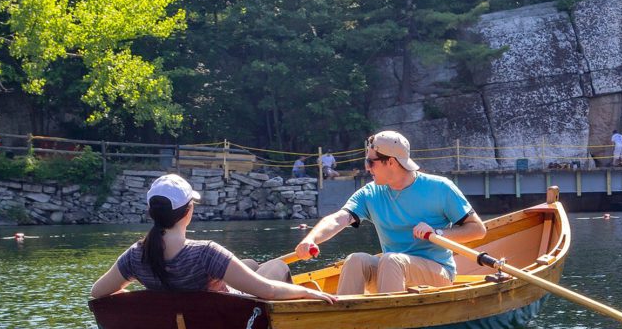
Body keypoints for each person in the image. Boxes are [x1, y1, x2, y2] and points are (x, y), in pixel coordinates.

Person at [91, 174, 335, 303]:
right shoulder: (205, 253)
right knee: (277, 266)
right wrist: (305, 293)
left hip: (187, 323)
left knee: (249, 264)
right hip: (230, 321)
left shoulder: (136, 254)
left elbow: (98, 292)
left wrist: (142, 303)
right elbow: (268, 291)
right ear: (189, 211)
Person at [293, 130, 486, 295]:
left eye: (371, 162)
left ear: (391, 162)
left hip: (437, 273)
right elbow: (338, 219)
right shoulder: (371, 193)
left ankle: (387, 322)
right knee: (355, 260)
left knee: (392, 260)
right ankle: (344, 321)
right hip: (391, 269)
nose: (366, 167)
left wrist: (438, 233)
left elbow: (478, 230)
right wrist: (311, 239)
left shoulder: (441, 188)